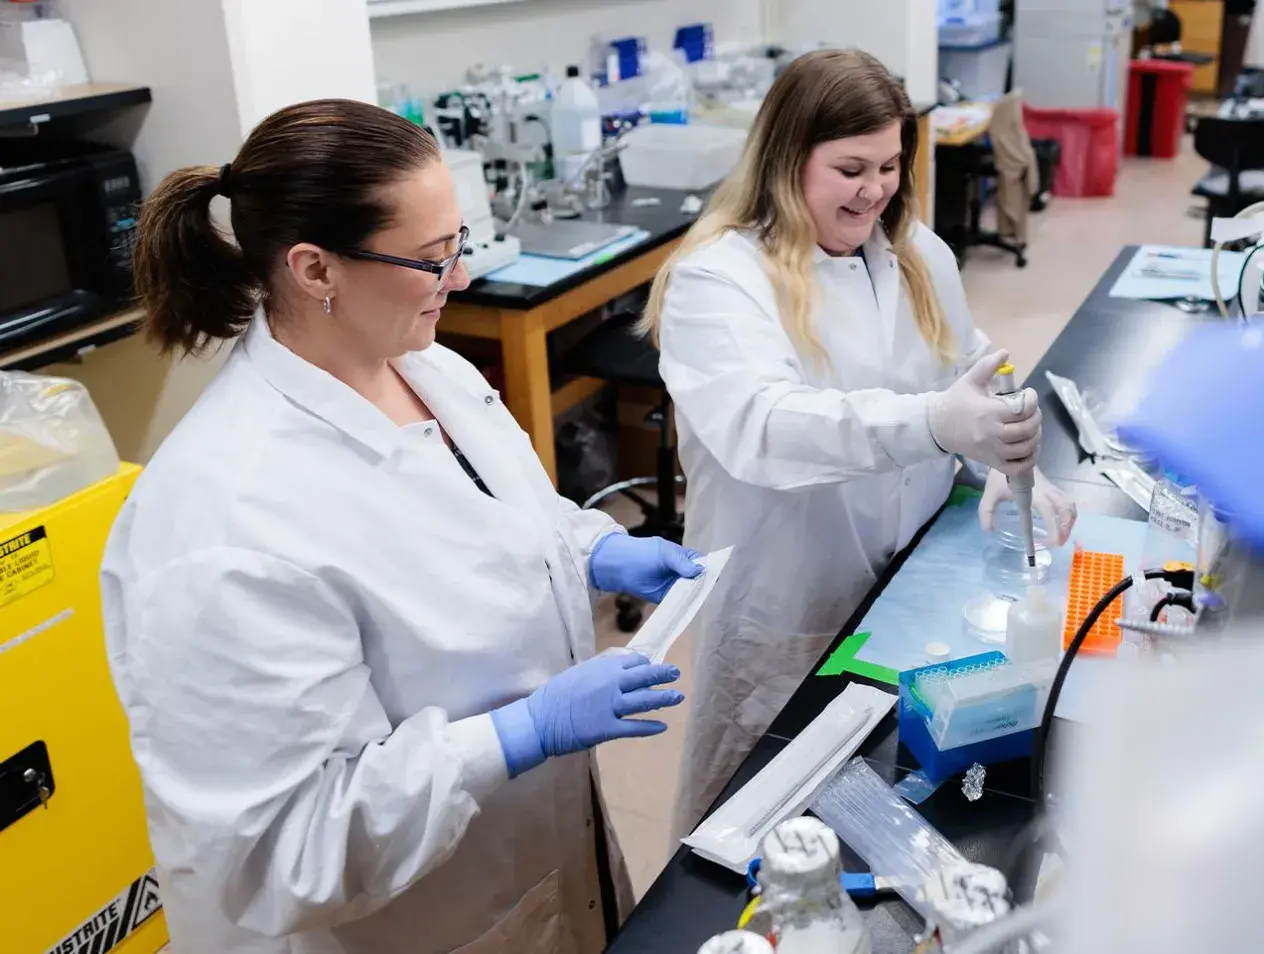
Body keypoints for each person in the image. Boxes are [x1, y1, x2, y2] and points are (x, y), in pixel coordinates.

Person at [100, 98, 703, 954]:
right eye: (432, 259)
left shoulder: (425, 365)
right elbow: (283, 853)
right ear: (315, 271)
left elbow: (494, 519)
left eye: (456, 244)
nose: (460, 279)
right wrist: (515, 736)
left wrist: (592, 548)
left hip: (537, 861)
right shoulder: (221, 526)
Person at [640, 50, 1078, 839]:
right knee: (750, 822)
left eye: (889, 165)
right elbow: (765, 428)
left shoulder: (914, 255)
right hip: (786, 598)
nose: (876, 189)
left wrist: (1004, 456)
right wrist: (937, 425)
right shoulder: (718, 281)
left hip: (903, 587)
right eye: (850, 168)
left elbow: (968, 365)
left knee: (889, 803)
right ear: (785, 161)